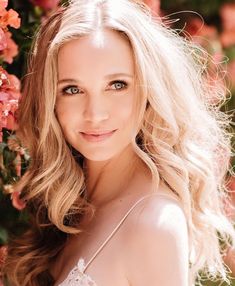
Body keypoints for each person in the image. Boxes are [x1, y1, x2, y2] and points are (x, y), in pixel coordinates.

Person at [3, 0, 235, 285]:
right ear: (51, 100)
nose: (95, 113)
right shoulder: (67, 207)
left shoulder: (154, 224)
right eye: (72, 89)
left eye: (117, 85)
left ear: (150, 90)